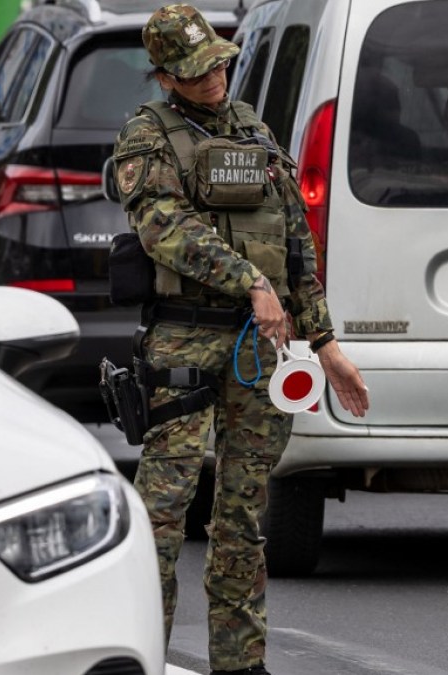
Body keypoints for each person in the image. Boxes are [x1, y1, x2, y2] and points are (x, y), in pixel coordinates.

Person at [112, 5, 369, 674]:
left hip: (257, 352)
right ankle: (140, 656)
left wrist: (326, 343)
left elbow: (295, 241)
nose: (214, 78)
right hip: (183, 344)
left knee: (243, 516)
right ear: (165, 77)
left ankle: (240, 662)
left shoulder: (254, 129)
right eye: (197, 72)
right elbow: (165, 230)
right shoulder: (146, 137)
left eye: (218, 64)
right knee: (163, 515)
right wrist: (250, 282)